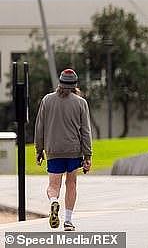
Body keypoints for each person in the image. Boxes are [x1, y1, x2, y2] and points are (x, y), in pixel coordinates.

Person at [35, 69, 93, 232]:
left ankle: (54, 201)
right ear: (75, 85)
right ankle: (68, 221)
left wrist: (39, 150)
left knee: (53, 185)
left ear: (59, 83)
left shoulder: (47, 100)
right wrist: (87, 155)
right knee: (71, 184)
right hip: (74, 151)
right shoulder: (81, 103)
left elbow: (40, 128)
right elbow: (85, 131)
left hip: (54, 150)